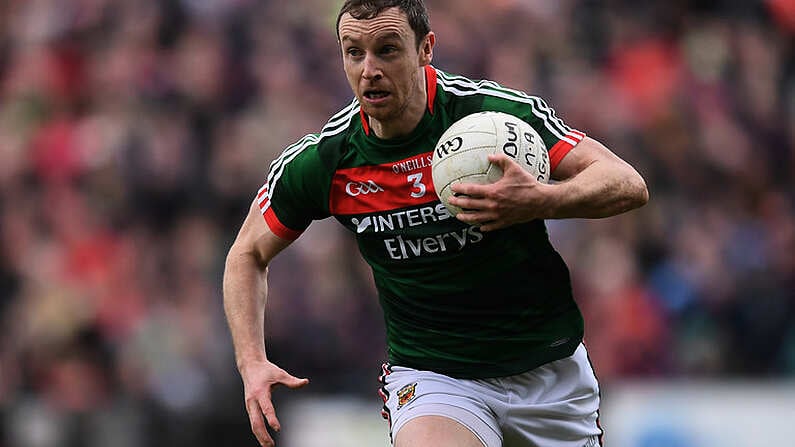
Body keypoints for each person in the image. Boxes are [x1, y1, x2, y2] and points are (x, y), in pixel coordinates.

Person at [223, 1, 649, 446]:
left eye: (387, 50)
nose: (369, 69)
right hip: (434, 375)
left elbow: (626, 183)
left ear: (426, 48)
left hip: (547, 372)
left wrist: (540, 200)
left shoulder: (493, 118)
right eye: (354, 52)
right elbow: (247, 254)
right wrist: (251, 361)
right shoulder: (328, 160)